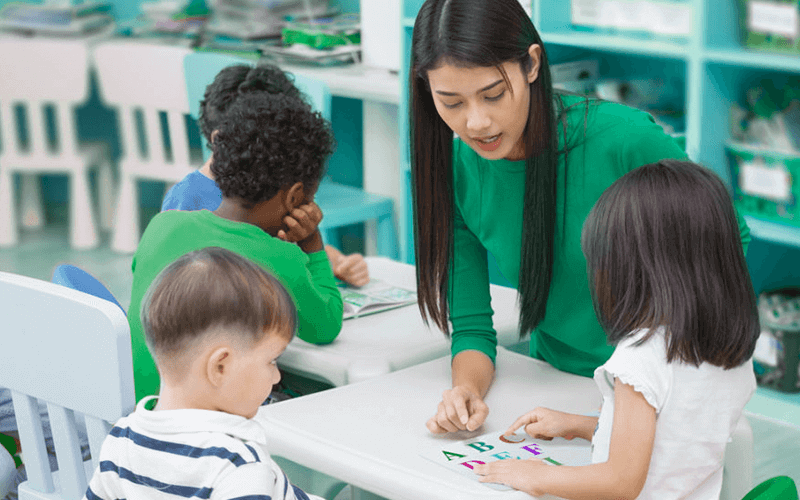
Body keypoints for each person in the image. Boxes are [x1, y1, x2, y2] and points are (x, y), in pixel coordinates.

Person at [409, 0, 751, 434]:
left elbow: (729, 240)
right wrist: (466, 391)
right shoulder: (457, 166)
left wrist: (659, 368)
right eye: (451, 102)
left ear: (532, 64)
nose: (476, 122)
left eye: (493, 94)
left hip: (660, 391)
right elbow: (473, 327)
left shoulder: (625, 140)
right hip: (556, 382)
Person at [473, 160, 759, 499]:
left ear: (635, 271)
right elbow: (677, 438)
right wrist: (578, 425)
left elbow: (620, 482)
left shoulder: (641, 358)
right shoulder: (728, 349)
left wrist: (536, 475)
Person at [128, 90, 343, 403]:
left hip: (145, 410)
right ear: (295, 197)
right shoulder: (278, 258)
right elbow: (326, 325)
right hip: (206, 427)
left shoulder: (163, 225)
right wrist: (311, 244)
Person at [83, 247, 322, 500]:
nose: (276, 378)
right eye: (272, 361)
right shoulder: (238, 466)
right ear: (221, 367)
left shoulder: (120, 441)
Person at [162, 63, 369, 287]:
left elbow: (284, 244)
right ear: (220, 140)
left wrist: (334, 260)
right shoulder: (185, 201)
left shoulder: (274, 183)